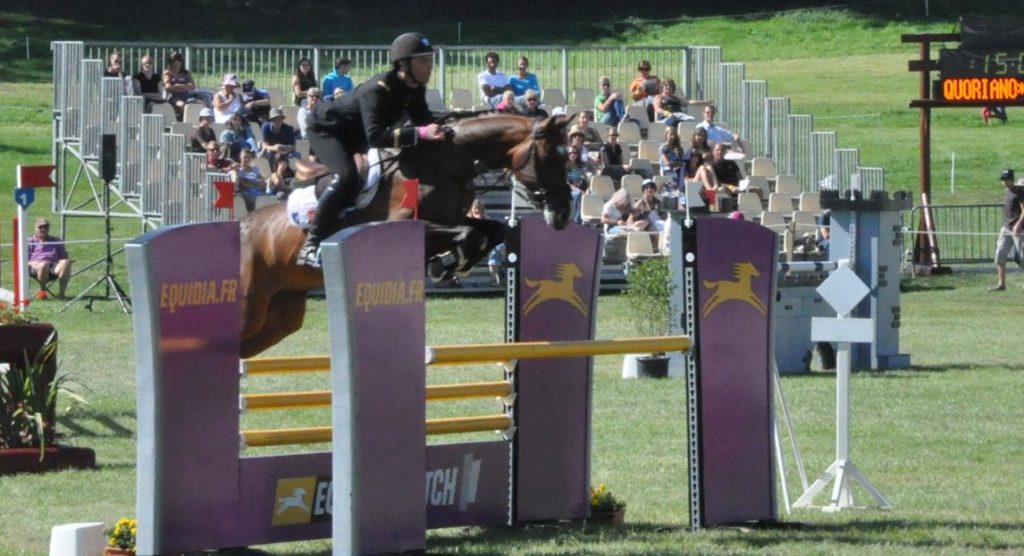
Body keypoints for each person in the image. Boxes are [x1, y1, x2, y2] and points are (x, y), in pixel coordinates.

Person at [299, 32, 446, 267]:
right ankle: (311, 244)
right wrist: (420, 133)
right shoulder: (377, 89)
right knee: (347, 175)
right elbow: (378, 136)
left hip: (358, 134)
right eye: (423, 61)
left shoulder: (414, 88)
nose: (429, 67)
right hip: (328, 130)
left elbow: (424, 120)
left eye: (430, 60)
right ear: (403, 64)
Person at [991, 169, 1024, 291]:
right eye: (1003, 180)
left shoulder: (1020, 192)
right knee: (1000, 254)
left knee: (1021, 258)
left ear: (1012, 179)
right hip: (1006, 228)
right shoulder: (1006, 191)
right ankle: (1001, 284)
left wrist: (1018, 225)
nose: (1004, 182)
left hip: (1019, 230)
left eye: (1007, 179)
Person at [26, 218, 72, 299]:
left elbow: (64, 257)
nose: (43, 229)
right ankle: (42, 293)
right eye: (40, 227)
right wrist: (33, 263)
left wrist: (64, 262)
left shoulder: (56, 240)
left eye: (46, 227)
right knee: (44, 264)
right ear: (35, 228)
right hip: (35, 267)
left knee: (66, 262)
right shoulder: (30, 241)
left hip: (54, 266)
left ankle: (61, 294)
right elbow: (25, 260)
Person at [162, 51, 201, 118]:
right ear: (170, 62)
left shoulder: (186, 73)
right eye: (174, 60)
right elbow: (168, 87)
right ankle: (184, 122)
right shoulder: (168, 73)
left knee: (200, 103)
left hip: (186, 96)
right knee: (182, 105)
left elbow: (193, 86)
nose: (177, 62)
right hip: (173, 97)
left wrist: (178, 86)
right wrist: (185, 87)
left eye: (179, 59)